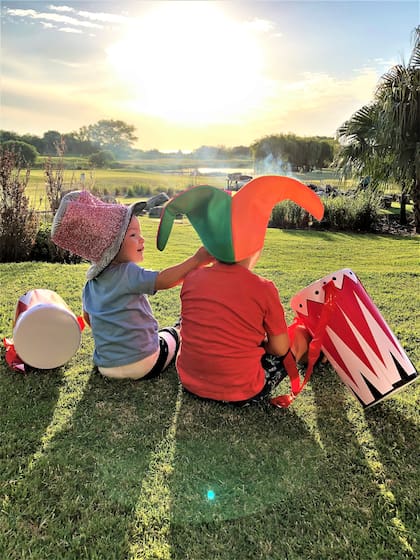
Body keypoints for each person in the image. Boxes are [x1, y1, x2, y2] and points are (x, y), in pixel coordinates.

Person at [156, 176, 324, 405]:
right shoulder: (263, 289)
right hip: (243, 390)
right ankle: (319, 356)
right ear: (257, 243)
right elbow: (279, 348)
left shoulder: (192, 279)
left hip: (190, 382)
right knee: (300, 335)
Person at [51, 190, 213, 380]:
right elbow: (162, 280)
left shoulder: (90, 285)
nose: (141, 239)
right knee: (171, 335)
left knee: (161, 335)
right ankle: (178, 329)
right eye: (133, 235)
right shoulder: (127, 272)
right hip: (144, 363)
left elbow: (89, 319)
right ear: (113, 246)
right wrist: (196, 260)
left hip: (106, 366)